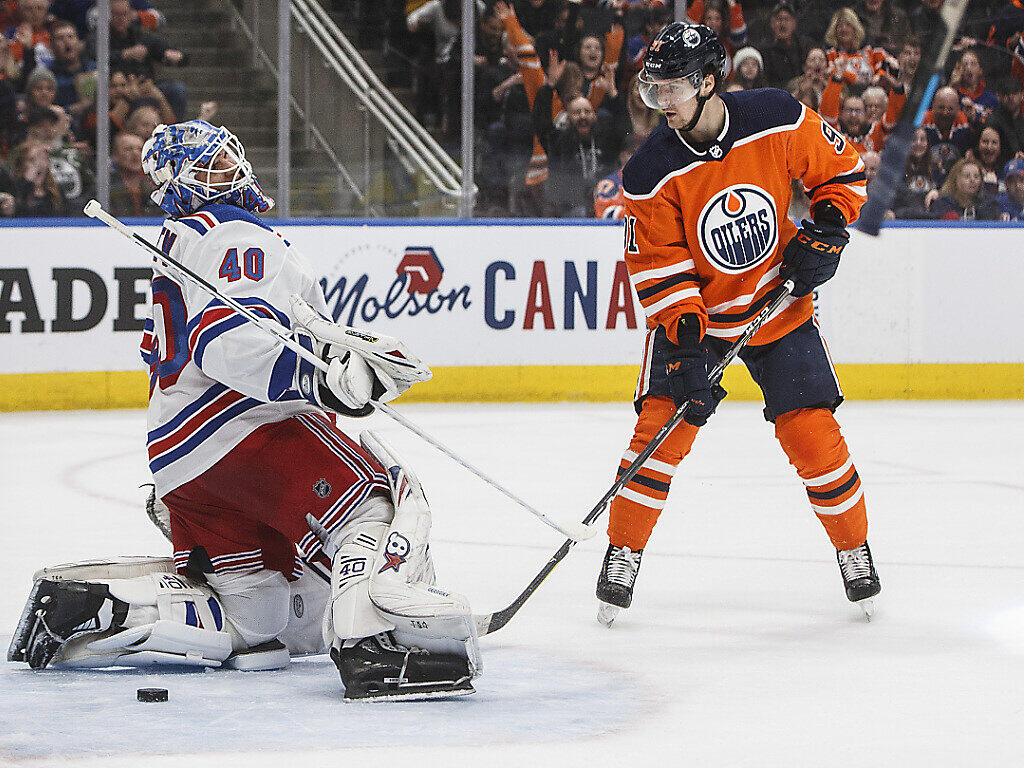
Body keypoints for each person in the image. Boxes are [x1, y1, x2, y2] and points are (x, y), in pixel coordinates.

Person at [7, 121, 482, 701]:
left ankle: (113, 610)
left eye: (223, 159)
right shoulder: (235, 234)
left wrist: (342, 355)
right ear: (186, 182)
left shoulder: (180, 240)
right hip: (243, 434)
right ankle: (376, 641)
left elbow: (252, 333)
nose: (226, 171)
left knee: (265, 622)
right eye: (210, 164)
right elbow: (229, 343)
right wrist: (325, 384)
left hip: (179, 464)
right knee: (380, 497)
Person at [594, 22, 879, 626]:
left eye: (671, 88)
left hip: (779, 307)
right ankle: (622, 552)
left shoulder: (776, 116)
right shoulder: (650, 172)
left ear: (705, 82)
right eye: (653, 90)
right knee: (658, 438)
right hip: (699, 323)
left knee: (813, 432)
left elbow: (841, 168)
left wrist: (826, 227)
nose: (661, 102)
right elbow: (661, 267)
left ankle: (854, 550)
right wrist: (690, 343)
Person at [927, 156, 1004, 220]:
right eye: (967, 176)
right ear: (956, 180)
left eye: (976, 176)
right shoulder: (942, 204)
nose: (972, 180)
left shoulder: (989, 205)